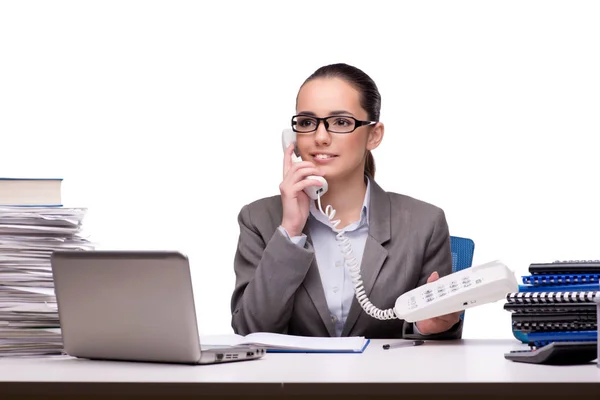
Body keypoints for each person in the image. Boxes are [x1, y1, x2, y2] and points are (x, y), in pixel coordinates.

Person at [230, 63, 462, 339]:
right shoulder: (258, 219)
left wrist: (429, 327)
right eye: (306, 122)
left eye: (340, 122)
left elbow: (440, 343)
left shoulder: (424, 224)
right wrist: (290, 231)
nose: (320, 137)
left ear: (373, 135)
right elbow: (250, 332)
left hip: (386, 381)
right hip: (290, 381)